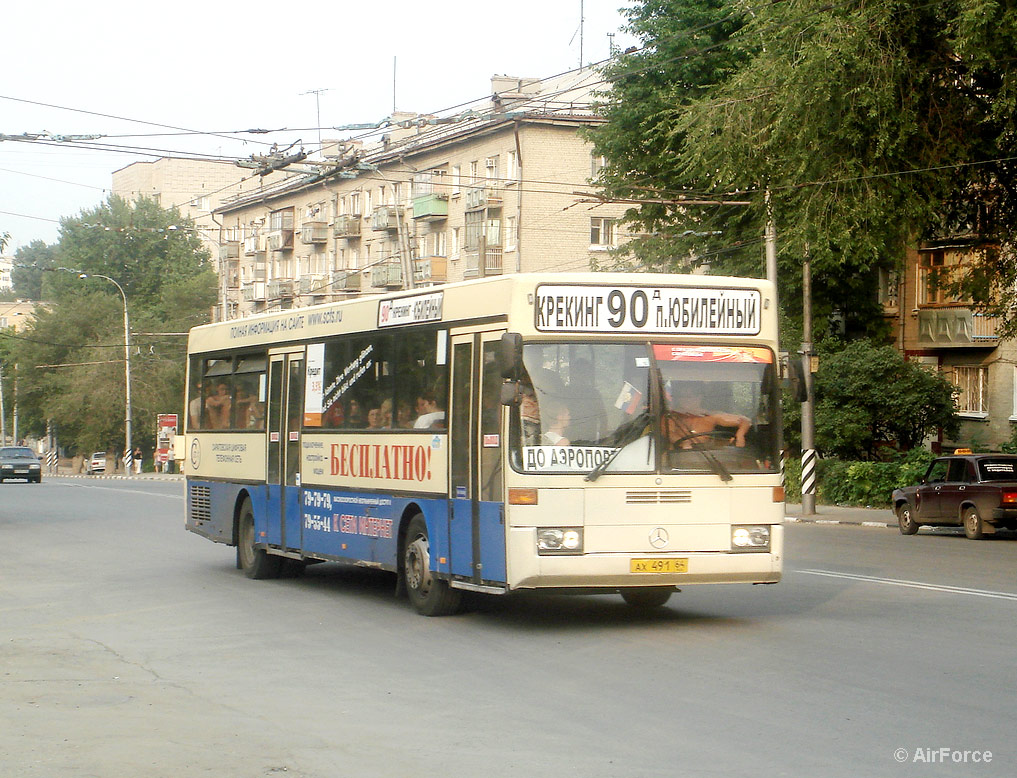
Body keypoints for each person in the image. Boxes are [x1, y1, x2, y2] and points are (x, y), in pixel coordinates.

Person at [665, 382, 750, 450]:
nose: (686, 399)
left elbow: (745, 421)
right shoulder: (671, 417)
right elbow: (669, 433)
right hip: (678, 457)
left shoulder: (711, 416)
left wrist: (740, 435)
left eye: (691, 396)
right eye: (683, 396)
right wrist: (683, 443)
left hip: (707, 456)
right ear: (677, 398)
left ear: (700, 397)